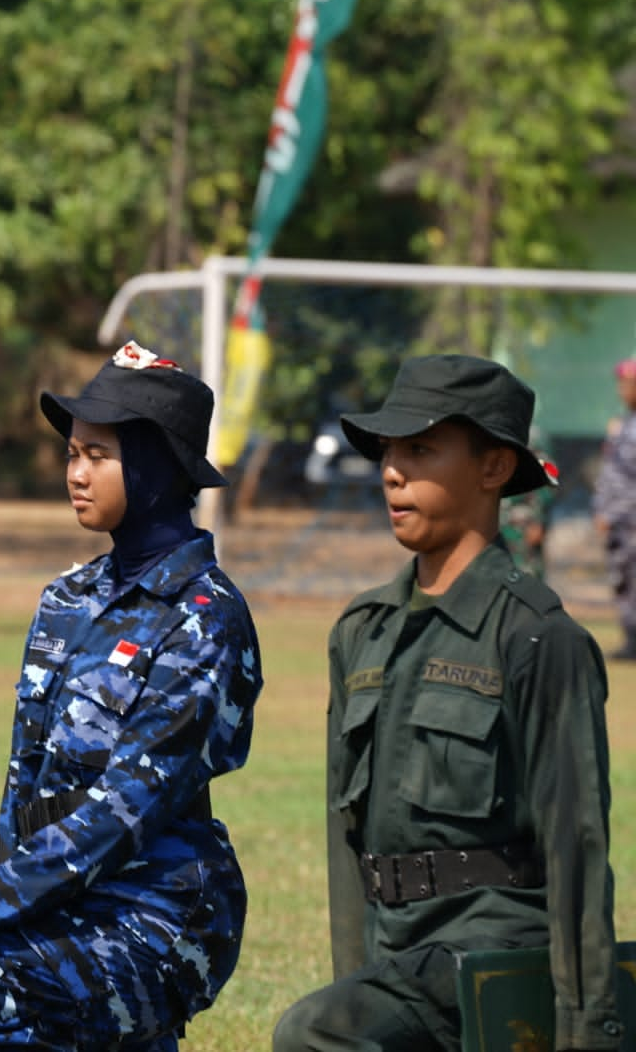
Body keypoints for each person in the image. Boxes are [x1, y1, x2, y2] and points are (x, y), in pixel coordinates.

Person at [0, 340, 262, 1051]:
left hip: (160, 914)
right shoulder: (66, 598)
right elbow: (23, 785)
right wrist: (4, 911)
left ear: (157, 467)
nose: (76, 473)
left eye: (98, 455)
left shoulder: (205, 616)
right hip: (64, 900)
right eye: (72, 453)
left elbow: (127, 808)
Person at [273, 354, 622, 1052]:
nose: (393, 471)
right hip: (400, 963)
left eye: (422, 449)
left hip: (495, 952)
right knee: (334, 1022)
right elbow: (350, 848)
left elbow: (576, 849)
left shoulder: (536, 637)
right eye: (389, 452)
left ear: (494, 469)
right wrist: (357, 982)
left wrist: (588, 1031)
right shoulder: (361, 633)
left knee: (309, 1035)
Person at [593, 357, 636, 659]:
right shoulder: (623, 425)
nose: (622, 390)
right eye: (621, 384)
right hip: (619, 520)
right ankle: (632, 640)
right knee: (623, 580)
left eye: (629, 384)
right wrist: (603, 510)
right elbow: (611, 473)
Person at [500, 424, 557, 582]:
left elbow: (550, 475)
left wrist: (538, 519)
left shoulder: (532, 436)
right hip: (498, 524)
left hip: (524, 525)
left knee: (528, 579)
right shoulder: (493, 431)